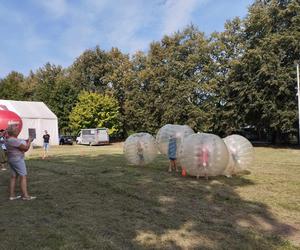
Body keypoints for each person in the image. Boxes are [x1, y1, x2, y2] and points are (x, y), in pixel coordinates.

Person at [6, 125, 36, 201]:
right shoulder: (14, 140)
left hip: (11, 159)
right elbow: (25, 148)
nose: (18, 130)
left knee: (13, 177)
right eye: (16, 129)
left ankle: (12, 195)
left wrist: (27, 140)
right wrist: (29, 141)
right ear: (14, 132)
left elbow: (21, 142)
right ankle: (25, 196)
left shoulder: (9, 139)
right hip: (17, 160)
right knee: (23, 176)